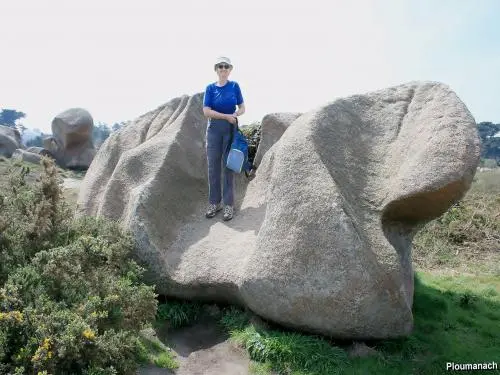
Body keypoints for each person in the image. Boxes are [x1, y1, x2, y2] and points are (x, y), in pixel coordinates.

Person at [202, 56, 245, 221]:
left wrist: (234, 114)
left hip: (230, 130)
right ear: (216, 69)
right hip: (214, 130)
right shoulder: (210, 88)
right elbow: (206, 111)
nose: (223, 69)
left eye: (226, 66)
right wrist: (225, 116)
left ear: (230, 69)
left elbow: (242, 107)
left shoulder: (235, 86)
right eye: (220, 66)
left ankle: (228, 205)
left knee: (229, 166)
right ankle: (214, 203)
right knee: (213, 167)